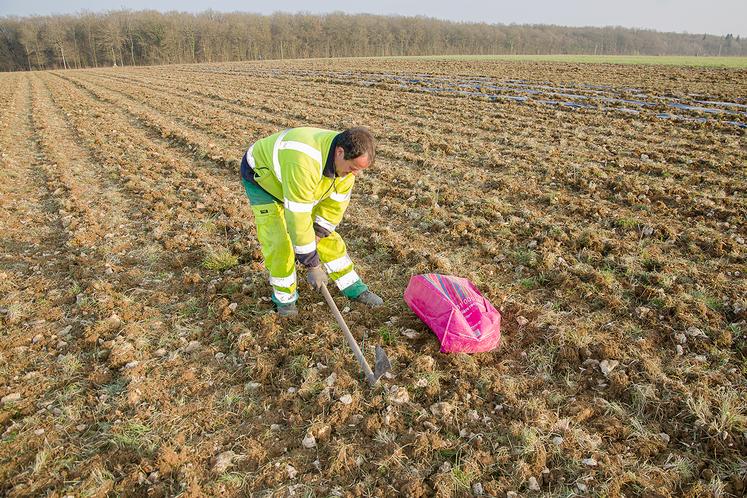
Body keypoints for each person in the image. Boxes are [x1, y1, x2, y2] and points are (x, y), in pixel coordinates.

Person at [240, 126, 384, 317]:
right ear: (340, 152)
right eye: (353, 168)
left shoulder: (345, 168)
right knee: (278, 243)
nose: (355, 174)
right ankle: (285, 300)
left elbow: (334, 208)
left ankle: (353, 286)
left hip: (299, 181)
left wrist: (318, 233)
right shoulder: (304, 160)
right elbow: (298, 219)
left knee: (326, 237)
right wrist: (312, 265)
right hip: (264, 181)